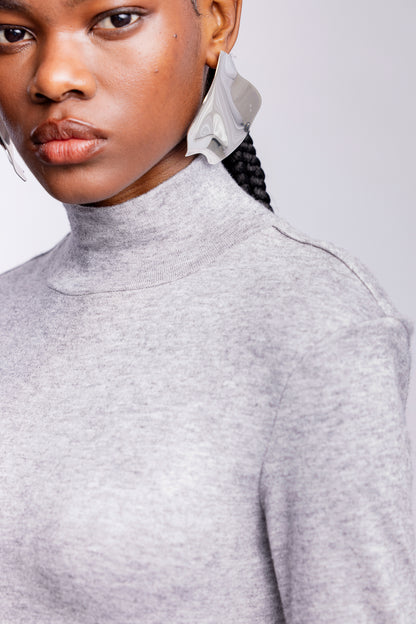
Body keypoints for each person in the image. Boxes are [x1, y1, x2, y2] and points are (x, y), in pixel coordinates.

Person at [0, 1, 415, 622]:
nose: (53, 78)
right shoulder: (8, 308)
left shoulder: (316, 325)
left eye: (116, 19)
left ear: (217, 20)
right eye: (12, 32)